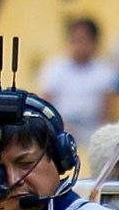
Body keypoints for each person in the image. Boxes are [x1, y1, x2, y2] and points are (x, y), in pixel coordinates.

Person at [39, 18, 116, 160]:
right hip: (61, 130)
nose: (78, 45)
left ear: (94, 42)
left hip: (91, 133)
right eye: (74, 40)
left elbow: (106, 116)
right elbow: (45, 108)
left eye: (83, 40)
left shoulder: (105, 72)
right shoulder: (54, 68)